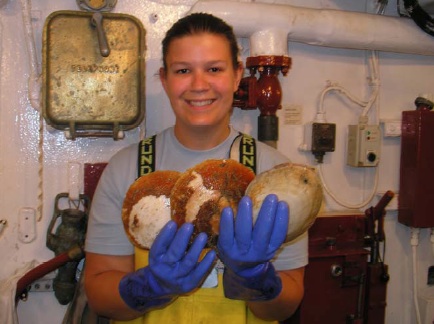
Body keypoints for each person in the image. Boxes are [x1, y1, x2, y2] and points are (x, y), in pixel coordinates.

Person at [84, 12, 307, 324]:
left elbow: (287, 304)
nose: (199, 85)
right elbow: (99, 295)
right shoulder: (127, 168)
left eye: (214, 69)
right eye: (183, 70)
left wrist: (254, 279)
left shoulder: (275, 174)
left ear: (237, 75)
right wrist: (151, 286)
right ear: (164, 79)